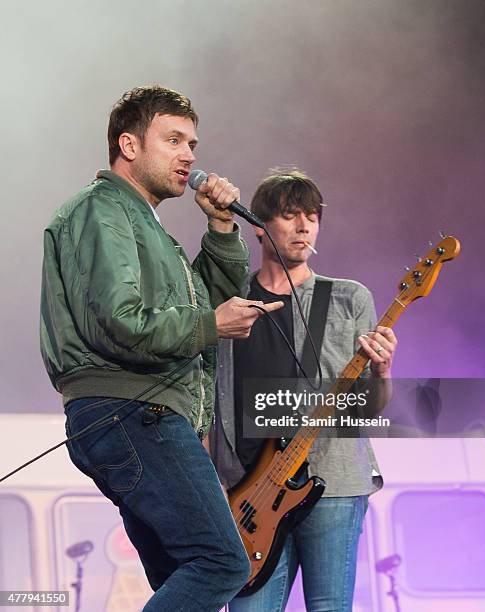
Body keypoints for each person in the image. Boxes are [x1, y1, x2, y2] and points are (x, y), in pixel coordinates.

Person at [40, 86, 284, 612]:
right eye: (173, 140)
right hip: (132, 412)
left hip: (133, 415)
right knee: (221, 562)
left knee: (184, 574)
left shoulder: (145, 226)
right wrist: (209, 325)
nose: (190, 156)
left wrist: (221, 227)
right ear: (129, 145)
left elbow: (201, 307)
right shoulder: (103, 211)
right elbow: (121, 322)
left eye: (192, 143)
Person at [209, 169, 398, 612]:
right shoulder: (229, 301)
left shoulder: (349, 297)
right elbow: (207, 397)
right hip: (247, 491)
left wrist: (384, 371)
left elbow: (366, 412)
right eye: (290, 216)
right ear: (260, 226)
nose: (304, 226)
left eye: (312, 216)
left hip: (332, 485)